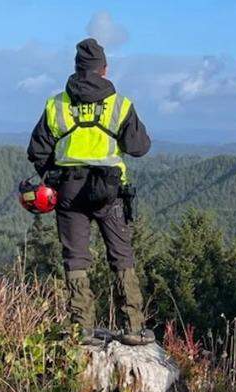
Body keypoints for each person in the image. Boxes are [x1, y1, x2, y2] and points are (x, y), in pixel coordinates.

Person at [27, 38, 153, 346]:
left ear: (77, 68)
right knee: (121, 255)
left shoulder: (56, 104)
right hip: (109, 191)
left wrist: (52, 176)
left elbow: (37, 151)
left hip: (69, 192)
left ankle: (81, 327)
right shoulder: (120, 105)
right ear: (104, 69)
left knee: (76, 258)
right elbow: (139, 147)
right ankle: (133, 328)